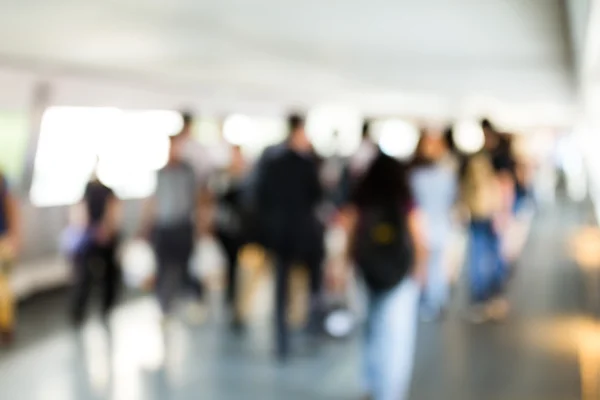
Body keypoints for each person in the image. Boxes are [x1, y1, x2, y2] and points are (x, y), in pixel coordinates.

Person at [339, 149, 426, 400]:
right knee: (397, 338)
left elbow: (350, 232)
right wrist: (420, 271)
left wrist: (344, 266)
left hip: (366, 273)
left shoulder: (362, 196)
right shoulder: (404, 198)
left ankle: (369, 383)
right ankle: (391, 392)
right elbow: (420, 238)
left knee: (370, 330)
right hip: (400, 275)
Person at [256, 113, 325, 361]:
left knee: (282, 288)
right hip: (303, 234)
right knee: (312, 282)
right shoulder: (307, 164)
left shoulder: (272, 162)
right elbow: (317, 196)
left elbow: (261, 198)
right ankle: (312, 327)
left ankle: (282, 340)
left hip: (281, 234)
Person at [139, 134, 206, 322]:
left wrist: (201, 226)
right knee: (163, 269)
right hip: (163, 227)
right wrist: (145, 227)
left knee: (187, 266)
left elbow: (197, 198)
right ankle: (164, 308)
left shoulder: (188, 172)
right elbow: (152, 201)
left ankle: (194, 300)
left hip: (183, 226)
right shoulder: (160, 174)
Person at [459, 120, 511, 323]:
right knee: (493, 253)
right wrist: (504, 212)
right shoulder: (500, 157)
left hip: (477, 213)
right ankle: (492, 296)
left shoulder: (476, 157)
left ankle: (481, 297)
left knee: (478, 253)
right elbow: (505, 184)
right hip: (492, 213)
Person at [410, 128, 458, 320]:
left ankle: (427, 301)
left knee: (423, 266)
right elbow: (451, 199)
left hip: (422, 227)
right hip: (439, 226)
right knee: (437, 266)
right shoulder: (446, 175)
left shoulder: (415, 176)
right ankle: (436, 299)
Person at [70, 162, 121, 325]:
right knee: (84, 275)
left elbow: (113, 210)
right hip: (89, 237)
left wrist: (106, 229)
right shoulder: (86, 189)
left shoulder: (108, 191)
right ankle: (79, 312)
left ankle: (107, 307)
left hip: (105, 236)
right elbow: (80, 212)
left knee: (110, 274)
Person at [213, 145, 249, 330]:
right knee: (229, 267)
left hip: (240, 231)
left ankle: (236, 303)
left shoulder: (246, 177)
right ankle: (230, 300)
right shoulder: (224, 177)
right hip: (226, 229)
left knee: (237, 269)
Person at [0, 171, 20, 344]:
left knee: (3, 286)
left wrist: (14, 236)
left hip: (3, 243)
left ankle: (6, 327)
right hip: (5, 241)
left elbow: (11, 207)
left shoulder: (3, 179)